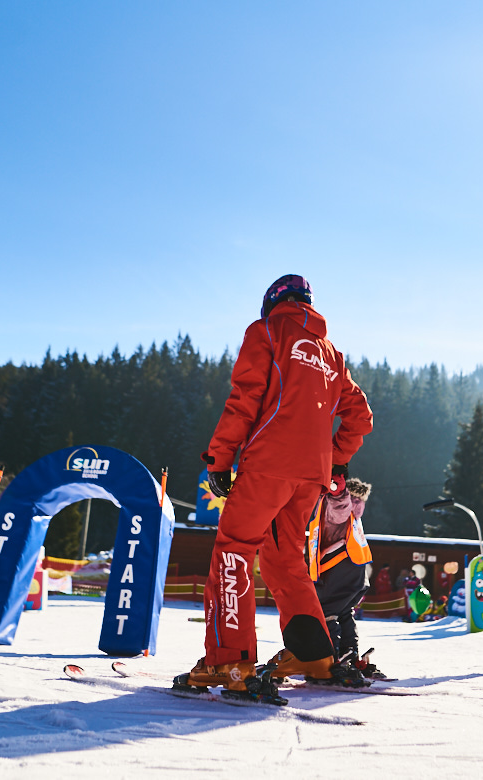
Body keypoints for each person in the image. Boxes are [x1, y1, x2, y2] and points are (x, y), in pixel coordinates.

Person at [173, 274, 373, 704]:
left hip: (268, 464)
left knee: (234, 550)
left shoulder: (266, 331)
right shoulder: (332, 355)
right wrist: (335, 458)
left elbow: (245, 398)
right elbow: (361, 416)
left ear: (272, 303)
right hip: (310, 476)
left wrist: (220, 458)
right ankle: (314, 657)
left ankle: (230, 662)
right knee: (284, 560)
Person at [305, 477, 385, 680]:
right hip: (356, 572)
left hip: (337, 569)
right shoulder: (356, 515)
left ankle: (330, 660)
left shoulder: (341, 508)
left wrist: (337, 491)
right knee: (344, 613)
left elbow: (338, 508)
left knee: (328, 611)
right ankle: (351, 655)